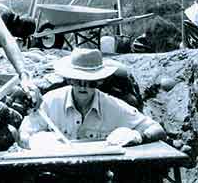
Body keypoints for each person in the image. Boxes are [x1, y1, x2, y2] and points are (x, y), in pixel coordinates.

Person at [19, 48, 166, 182]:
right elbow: (24, 134)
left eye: (89, 81)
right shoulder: (51, 102)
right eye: (78, 80)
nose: (83, 86)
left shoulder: (112, 106)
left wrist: (138, 136)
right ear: (69, 79)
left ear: (99, 81)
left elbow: (157, 129)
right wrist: (37, 141)